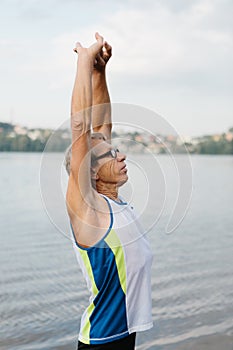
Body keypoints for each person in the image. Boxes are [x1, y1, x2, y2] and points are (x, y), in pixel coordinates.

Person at [65, 32, 153, 350]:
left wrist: (100, 72)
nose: (121, 156)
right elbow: (81, 128)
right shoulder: (90, 210)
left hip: (126, 335)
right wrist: (83, 60)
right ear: (87, 171)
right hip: (101, 341)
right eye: (110, 155)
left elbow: (101, 126)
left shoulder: (115, 204)